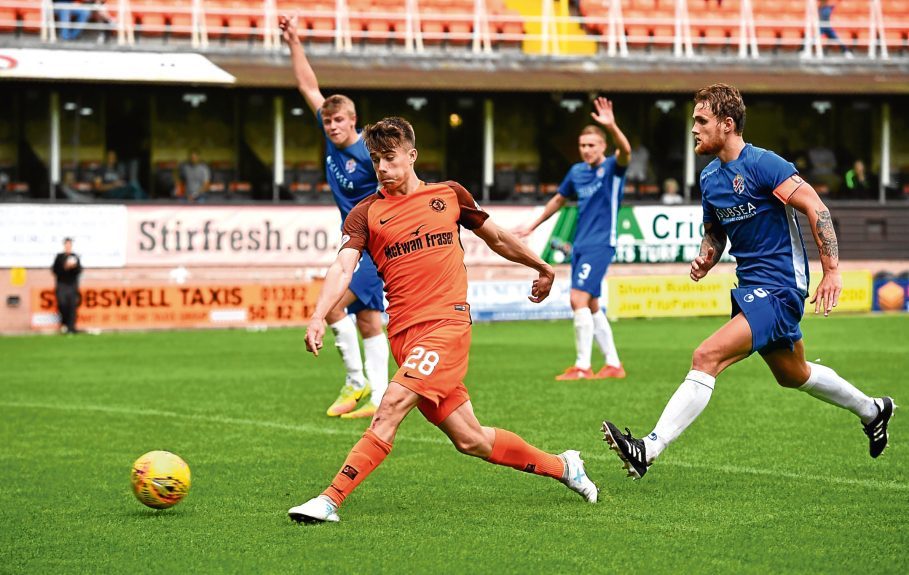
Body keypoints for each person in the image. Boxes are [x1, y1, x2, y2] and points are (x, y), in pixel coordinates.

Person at [287, 117, 598, 524]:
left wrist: (541, 265)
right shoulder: (366, 213)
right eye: (376, 159)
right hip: (404, 336)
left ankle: (329, 499)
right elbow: (343, 266)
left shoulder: (449, 195)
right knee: (471, 440)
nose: (381, 168)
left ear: (412, 156)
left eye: (390, 158)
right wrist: (316, 314)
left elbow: (497, 237)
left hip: (446, 327)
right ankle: (564, 466)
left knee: (390, 405)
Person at [601, 84, 894, 480]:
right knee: (794, 374)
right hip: (752, 289)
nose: (694, 130)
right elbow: (716, 232)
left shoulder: (764, 164)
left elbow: (815, 206)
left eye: (702, 121)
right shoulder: (709, 180)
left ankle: (648, 449)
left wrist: (833, 270)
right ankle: (873, 409)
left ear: (727, 124)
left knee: (706, 356)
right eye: (693, 122)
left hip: (779, 288)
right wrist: (707, 255)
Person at [280, 13, 389, 419]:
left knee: (331, 307)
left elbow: (396, 186)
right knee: (369, 319)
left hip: (374, 245)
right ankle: (378, 396)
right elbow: (308, 85)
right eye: (326, 121)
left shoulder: (367, 153)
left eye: (338, 120)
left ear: (353, 121)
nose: (331, 126)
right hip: (356, 242)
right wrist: (294, 42)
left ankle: (356, 381)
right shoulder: (330, 136)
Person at [517, 97, 632, 381]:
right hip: (581, 244)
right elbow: (558, 199)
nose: (586, 150)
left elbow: (626, 150)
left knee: (577, 298)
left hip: (601, 243)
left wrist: (611, 125)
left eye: (592, 145)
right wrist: (533, 224)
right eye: (582, 146)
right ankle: (613, 364)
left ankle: (582, 366)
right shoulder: (577, 172)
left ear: (603, 146)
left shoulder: (613, 169)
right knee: (590, 303)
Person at [51, 237, 83, 334]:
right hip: (62, 285)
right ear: (64, 245)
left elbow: (79, 271)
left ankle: (71, 328)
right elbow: (54, 270)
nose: (68, 246)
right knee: (62, 304)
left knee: (72, 306)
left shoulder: (75, 256)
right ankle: (64, 324)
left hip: (72, 285)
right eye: (67, 244)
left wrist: (73, 267)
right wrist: (64, 267)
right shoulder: (59, 257)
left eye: (70, 244)